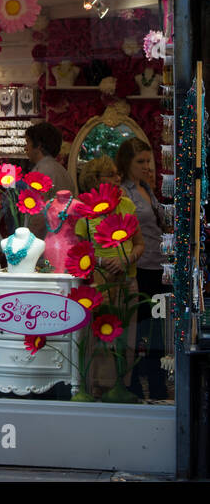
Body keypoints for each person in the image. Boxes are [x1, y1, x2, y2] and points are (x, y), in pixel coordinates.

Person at [75, 155, 141, 396]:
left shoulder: (126, 205)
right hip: (99, 283)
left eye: (117, 174)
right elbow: (81, 251)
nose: (118, 178)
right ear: (96, 180)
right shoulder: (84, 210)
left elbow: (140, 245)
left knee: (127, 339)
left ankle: (122, 387)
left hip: (126, 281)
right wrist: (103, 261)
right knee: (100, 339)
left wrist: (125, 260)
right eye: (111, 174)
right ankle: (98, 388)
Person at [116, 138, 169, 400]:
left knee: (156, 327)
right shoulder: (123, 192)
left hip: (158, 264)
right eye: (140, 161)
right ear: (127, 163)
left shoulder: (146, 187)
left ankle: (155, 378)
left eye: (148, 161)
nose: (146, 166)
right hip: (140, 266)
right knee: (141, 327)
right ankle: (136, 379)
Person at [24, 122, 76, 236]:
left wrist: (27, 244)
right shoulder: (62, 171)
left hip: (45, 242)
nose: (25, 148)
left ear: (39, 145)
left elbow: (38, 217)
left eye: (28, 142)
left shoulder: (39, 173)